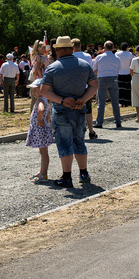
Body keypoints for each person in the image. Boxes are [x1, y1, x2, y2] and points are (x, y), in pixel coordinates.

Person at [38, 36, 97, 188]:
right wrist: (83, 99)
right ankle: (84, 173)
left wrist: (62, 100)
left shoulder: (53, 67)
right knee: (79, 141)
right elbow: (94, 85)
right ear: (72, 49)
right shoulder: (84, 65)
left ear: (56, 50)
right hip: (80, 108)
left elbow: (44, 91)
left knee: (64, 143)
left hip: (62, 109)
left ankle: (67, 177)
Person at [25, 78, 54, 183]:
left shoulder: (40, 100)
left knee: (44, 153)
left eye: (35, 90)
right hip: (42, 129)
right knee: (43, 152)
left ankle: (44, 174)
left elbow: (41, 110)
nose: (33, 92)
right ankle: (42, 171)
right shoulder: (44, 99)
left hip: (40, 129)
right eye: (32, 90)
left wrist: (39, 120)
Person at [93, 41, 122, 128]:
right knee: (115, 102)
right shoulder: (117, 58)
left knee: (101, 102)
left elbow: (94, 69)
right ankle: (118, 121)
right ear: (113, 47)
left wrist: (100, 74)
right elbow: (118, 70)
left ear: (104, 48)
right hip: (114, 78)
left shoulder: (99, 57)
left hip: (103, 79)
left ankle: (99, 122)